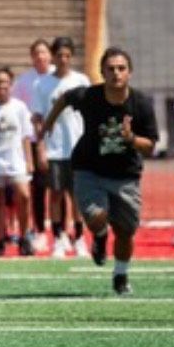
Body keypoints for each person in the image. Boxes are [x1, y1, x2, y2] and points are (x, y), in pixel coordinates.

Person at [41, 47, 158, 295]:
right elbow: (64, 98)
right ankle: (100, 236)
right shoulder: (89, 96)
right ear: (102, 72)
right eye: (111, 68)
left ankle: (120, 275)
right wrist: (49, 122)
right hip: (88, 169)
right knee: (96, 216)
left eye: (121, 68)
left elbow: (150, 146)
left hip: (126, 175)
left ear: (130, 72)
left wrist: (132, 138)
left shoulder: (142, 103)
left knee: (126, 232)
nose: (116, 73)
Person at [33, 37, 91, 258]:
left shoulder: (81, 81)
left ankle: (79, 238)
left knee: (77, 195)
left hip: (78, 146)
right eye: (59, 55)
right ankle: (58, 237)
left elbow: (90, 114)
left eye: (67, 55)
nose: (64, 59)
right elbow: (37, 118)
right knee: (55, 194)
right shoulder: (43, 84)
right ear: (53, 57)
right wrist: (40, 149)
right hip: (54, 147)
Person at [0, 67, 35, 257]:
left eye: (5, 82)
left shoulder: (20, 107)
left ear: (11, 84)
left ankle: (25, 236)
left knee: (24, 196)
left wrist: (29, 160)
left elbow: (26, 136)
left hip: (17, 160)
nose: (2, 86)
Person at [12, 40, 54, 249]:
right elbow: (16, 107)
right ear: (31, 56)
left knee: (61, 188)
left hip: (58, 141)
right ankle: (39, 230)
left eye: (44, 52)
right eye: (36, 53)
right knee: (38, 188)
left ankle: (63, 231)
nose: (40, 56)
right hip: (34, 140)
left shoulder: (58, 77)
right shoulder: (24, 81)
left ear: (50, 55)